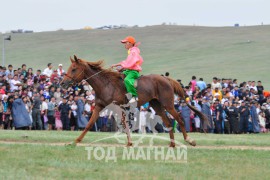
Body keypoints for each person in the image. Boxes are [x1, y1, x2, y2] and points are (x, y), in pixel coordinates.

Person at [111, 36, 143, 103]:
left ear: (130, 43)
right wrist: (121, 67)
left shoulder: (133, 51)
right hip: (128, 71)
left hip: (133, 72)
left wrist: (117, 65)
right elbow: (128, 63)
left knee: (127, 80)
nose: (124, 44)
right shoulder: (131, 51)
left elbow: (129, 62)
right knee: (116, 75)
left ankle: (134, 96)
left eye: (126, 43)